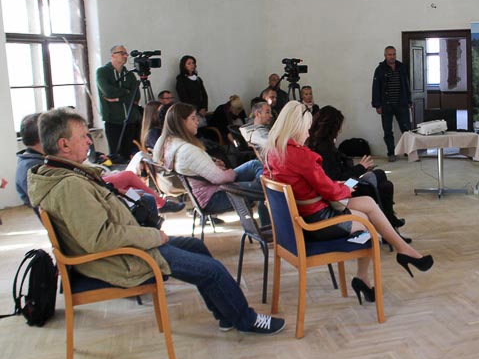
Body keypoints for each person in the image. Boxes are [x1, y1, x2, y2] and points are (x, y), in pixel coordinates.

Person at [27, 107, 284, 334]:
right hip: (121, 258)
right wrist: (152, 235)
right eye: (83, 136)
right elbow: (100, 238)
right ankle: (246, 320)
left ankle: (227, 315)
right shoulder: (70, 186)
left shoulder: (60, 174)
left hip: (126, 248)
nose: (89, 141)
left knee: (196, 247)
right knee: (212, 270)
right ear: (64, 145)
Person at [265, 101, 433, 304]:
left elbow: (314, 184)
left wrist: (341, 185)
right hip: (317, 220)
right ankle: (375, 268)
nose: (308, 133)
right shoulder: (302, 155)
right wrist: (346, 186)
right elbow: (330, 189)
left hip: (301, 215)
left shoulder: (274, 151)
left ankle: (398, 253)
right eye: (306, 128)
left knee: (368, 202)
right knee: (369, 223)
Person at [15, 111, 183, 214]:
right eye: (83, 136)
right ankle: (157, 204)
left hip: (99, 200)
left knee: (139, 196)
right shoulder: (34, 168)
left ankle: (152, 205)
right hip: (101, 211)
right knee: (135, 189)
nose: (89, 141)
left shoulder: (40, 163)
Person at [153, 103, 269, 223]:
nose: (197, 121)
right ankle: (268, 222)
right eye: (193, 118)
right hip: (214, 197)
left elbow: (197, 168)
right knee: (268, 188)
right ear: (181, 122)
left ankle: (263, 203)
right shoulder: (187, 150)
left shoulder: (170, 143)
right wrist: (229, 172)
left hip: (208, 192)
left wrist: (211, 163)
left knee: (254, 166)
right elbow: (220, 178)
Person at [306, 105, 405, 228]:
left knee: (382, 180)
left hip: (343, 183)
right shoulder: (325, 149)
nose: (340, 131)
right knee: (383, 183)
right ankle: (389, 220)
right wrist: (360, 168)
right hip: (344, 186)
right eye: (338, 127)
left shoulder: (317, 143)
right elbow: (337, 177)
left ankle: (389, 220)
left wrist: (360, 168)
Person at [96, 45, 141, 161]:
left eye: (126, 54)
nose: (125, 56)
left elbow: (136, 96)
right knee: (115, 156)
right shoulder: (102, 72)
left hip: (130, 120)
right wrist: (126, 92)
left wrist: (118, 99)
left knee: (129, 155)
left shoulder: (130, 75)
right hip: (113, 120)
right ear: (113, 55)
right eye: (122, 53)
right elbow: (108, 92)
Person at [372, 46, 412, 162]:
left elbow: (406, 85)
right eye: (389, 54)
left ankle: (410, 151)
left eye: (394, 54)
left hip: (402, 104)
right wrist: (377, 105)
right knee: (388, 131)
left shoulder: (401, 67)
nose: (392, 57)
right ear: (385, 56)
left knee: (407, 130)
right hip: (386, 105)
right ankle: (391, 153)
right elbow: (375, 88)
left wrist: (409, 101)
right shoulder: (380, 69)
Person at [175, 55, 209, 125]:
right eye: (189, 63)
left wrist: (204, 108)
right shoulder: (181, 80)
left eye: (193, 63)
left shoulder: (198, 79)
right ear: (184, 66)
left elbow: (204, 94)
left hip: (201, 111)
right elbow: (184, 98)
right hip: (190, 111)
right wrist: (197, 110)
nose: (192, 65)